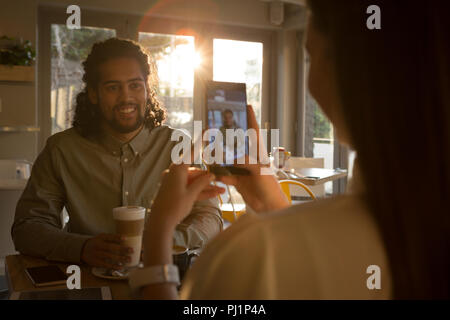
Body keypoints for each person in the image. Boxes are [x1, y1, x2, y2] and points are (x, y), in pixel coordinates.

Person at [137, 0, 449, 299]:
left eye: (311, 56)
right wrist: (270, 201)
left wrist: (158, 235)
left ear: (346, 72)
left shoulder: (256, 254)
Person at [11, 38, 223, 270]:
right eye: (113, 87)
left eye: (135, 85)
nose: (126, 98)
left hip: (163, 275)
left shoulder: (178, 146)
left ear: (147, 89)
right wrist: (82, 248)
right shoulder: (61, 150)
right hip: (86, 281)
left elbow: (209, 218)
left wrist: (160, 242)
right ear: (93, 94)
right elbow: (27, 227)